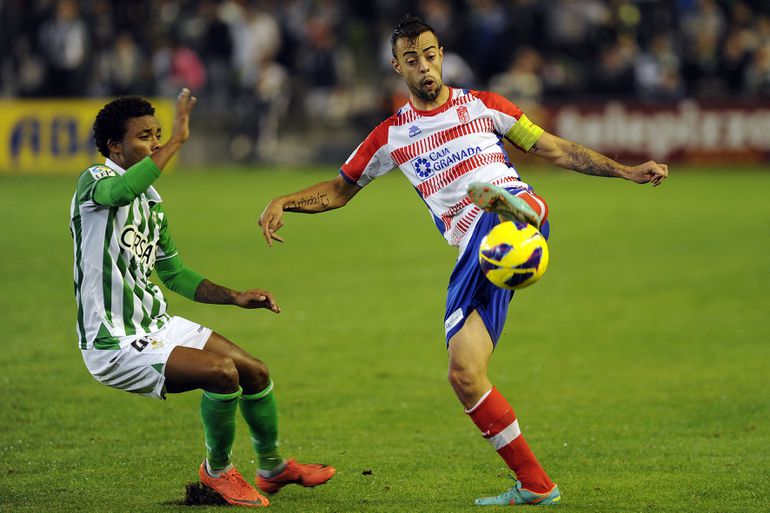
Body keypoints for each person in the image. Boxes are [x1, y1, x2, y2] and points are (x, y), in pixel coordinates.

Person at [258, 16, 668, 507]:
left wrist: (625, 171)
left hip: (492, 226)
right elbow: (339, 190)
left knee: (500, 219)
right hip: (477, 250)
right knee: (465, 373)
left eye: (431, 55)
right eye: (412, 60)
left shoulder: (485, 105)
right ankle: (537, 486)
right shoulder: (390, 136)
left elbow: (555, 149)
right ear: (397, 67)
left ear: (442, 53)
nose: (425, 67)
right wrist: (285, 201)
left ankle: (520, 212)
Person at [69, 89, 335, 508]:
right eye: (145, 136)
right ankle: (216, 474)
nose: (155, 142)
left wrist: (236, 297)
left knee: (255, 372)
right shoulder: (95, 184)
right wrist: (177, 141)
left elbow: (173, 273)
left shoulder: (152, 202)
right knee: (222, 374)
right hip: (113, 342)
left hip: (157, 326)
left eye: (158, 134)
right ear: (114, 147)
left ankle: (271, 467)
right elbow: (118, 194)